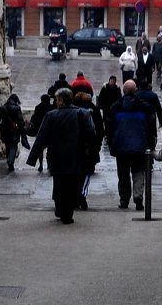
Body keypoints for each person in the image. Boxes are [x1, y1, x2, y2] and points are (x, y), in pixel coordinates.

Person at [26, 88, 95, 224]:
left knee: (59, 182)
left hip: (56, 155)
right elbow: (91, 134)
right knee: (72, 184)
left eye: (57, 100)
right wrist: (91, 153)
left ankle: (60, 207)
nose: (56, 102)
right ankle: (67, 214)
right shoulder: (83, 114)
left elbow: (42, 137)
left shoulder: (51, 115)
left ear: (61, 100)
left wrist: (33, 158)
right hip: (76, 155)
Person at [105, 80, 157, 210]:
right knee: (139, 172)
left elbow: (109, 127)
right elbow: (151, 127)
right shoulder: (144, 107)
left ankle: (124, 199)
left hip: (121, 147)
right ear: (136, 91)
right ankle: (138, 197)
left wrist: (111, 142)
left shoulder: (116, 106)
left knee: (123, 175)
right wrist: (151, 143)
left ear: (123, 91)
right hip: (140, 146)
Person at [73, 91, 105, 210]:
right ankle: (82, 194)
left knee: (76, 172)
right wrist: (98, 144)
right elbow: (99, 129)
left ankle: (76, 196)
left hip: (76, 147)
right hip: (90, 147)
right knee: (87, 172)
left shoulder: (73, 111)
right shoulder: (94, 111)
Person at [0, 94, 27, 172]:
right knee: (13, 146)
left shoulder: (3, 108)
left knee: (8, 146)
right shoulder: (17, 108)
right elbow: (20, 120)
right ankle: (10, 161)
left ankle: (9, 160)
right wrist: (22, 125)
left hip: (5, 130)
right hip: (14, 131)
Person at [28, 94, 53, 172]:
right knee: (50, 148)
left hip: (40, 130)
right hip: (50, 130)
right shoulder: (51, 107)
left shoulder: (38, 107)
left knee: (40, 148)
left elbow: (35, 118)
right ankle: (49, 164)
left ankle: (41, 164)